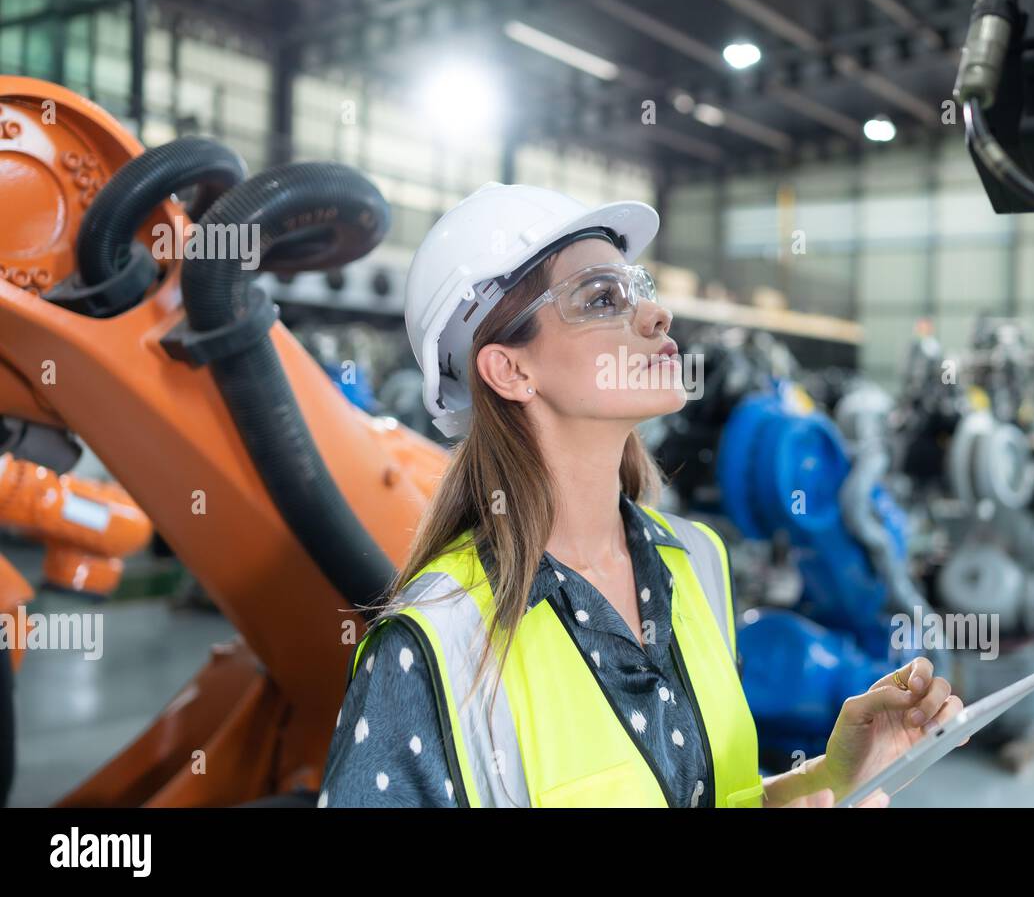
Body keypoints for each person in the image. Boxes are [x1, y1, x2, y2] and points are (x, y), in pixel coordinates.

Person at [318, 182, 965, 807]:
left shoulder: (696, 561)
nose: (657, 315)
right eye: (602, 299)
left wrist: (835, 773)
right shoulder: (437, 646)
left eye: (639, 289)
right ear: (510, 369)